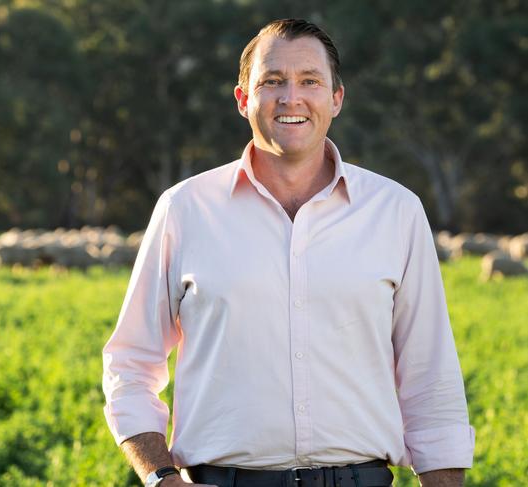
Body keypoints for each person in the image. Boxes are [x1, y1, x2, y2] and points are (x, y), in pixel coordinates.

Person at [102, 18, 475, 487]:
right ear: (243, 99)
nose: (291, 98)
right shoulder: (184, 210)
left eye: (310, 82)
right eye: (272, 82)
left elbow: (431, 378)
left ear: (336, 98)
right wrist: (160, 477)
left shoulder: (396, 211)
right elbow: (130, 363)